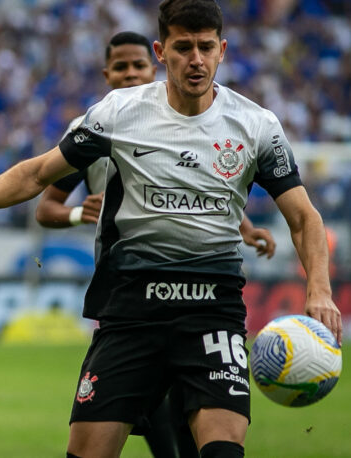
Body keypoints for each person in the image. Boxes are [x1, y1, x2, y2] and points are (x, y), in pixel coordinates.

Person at [0, 0, 342, 458]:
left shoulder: (256, 125)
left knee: (222, 450)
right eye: (183, 47)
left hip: (212, 311)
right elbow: (38, 173)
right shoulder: (119, 113)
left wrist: (319, 288)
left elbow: (303, 217)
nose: (196, 60)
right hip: (131, 310)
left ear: (223, 50)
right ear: (161, 52)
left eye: (206, 47)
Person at [36, 30, 276, 458]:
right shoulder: (92, 130)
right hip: (128, 297)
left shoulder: (186, 121)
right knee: (148, 430)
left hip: (197, 303)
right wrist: (78, 213)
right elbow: (45, 206)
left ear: (154, 67)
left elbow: (206, 192)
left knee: (190, 430)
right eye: (121, 67)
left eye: (137, 66)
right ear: (107, 73)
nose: (130, 74)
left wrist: (245, 228)